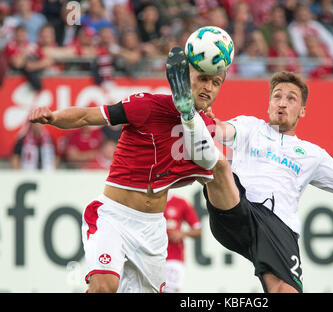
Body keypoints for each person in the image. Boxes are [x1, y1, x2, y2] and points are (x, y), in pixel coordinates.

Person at [169, 62, 333, 293]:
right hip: (236, 210)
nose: (282, 102)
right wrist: (207, 123)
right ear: (269, 104)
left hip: (278, 228)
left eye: (291, 98)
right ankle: (190, 114)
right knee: (218, 164)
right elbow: (221, 129)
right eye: (277, 96)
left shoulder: (313, 154)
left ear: (303, 110)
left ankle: (193, 121)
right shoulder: (251, 127)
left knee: (285, 290)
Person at [28, 44, 226, 293]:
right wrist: (54, 117)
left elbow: (202, 174)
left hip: (153, 229)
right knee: (104, 287)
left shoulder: (204, 129)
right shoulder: (147, 105)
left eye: (216, 82)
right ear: (184, 79)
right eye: (203, 78)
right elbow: (87, 116)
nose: (208, 87)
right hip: (114, 216)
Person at [164, 193, 202, 293]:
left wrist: (181, 233)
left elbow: (198, 230)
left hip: (173, 257)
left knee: (169, 290)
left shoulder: (180, 202)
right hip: (150, 256)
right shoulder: (146, 201)